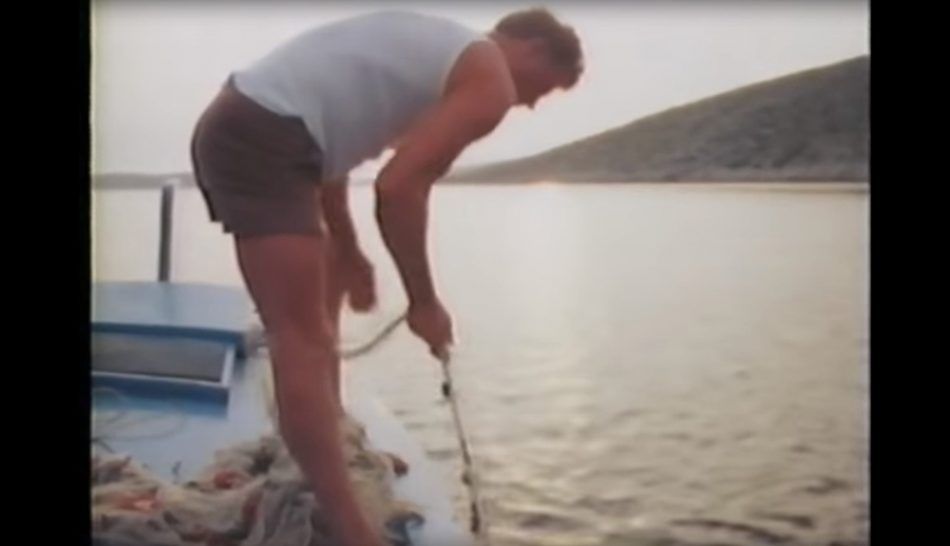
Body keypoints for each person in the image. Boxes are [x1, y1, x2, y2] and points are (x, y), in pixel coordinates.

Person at [190, 7, 583, 546]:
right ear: (534, 48)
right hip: (262, 136)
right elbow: (399, 189)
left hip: (264, 127)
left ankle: (331, 450)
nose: (533, 103)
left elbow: (330, 150)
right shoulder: (488, 79)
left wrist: (349, 251)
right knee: (300, 338)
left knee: (322, 310)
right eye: (547, 87)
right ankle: (350, 527)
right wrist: (424, 302)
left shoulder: (435, 61)